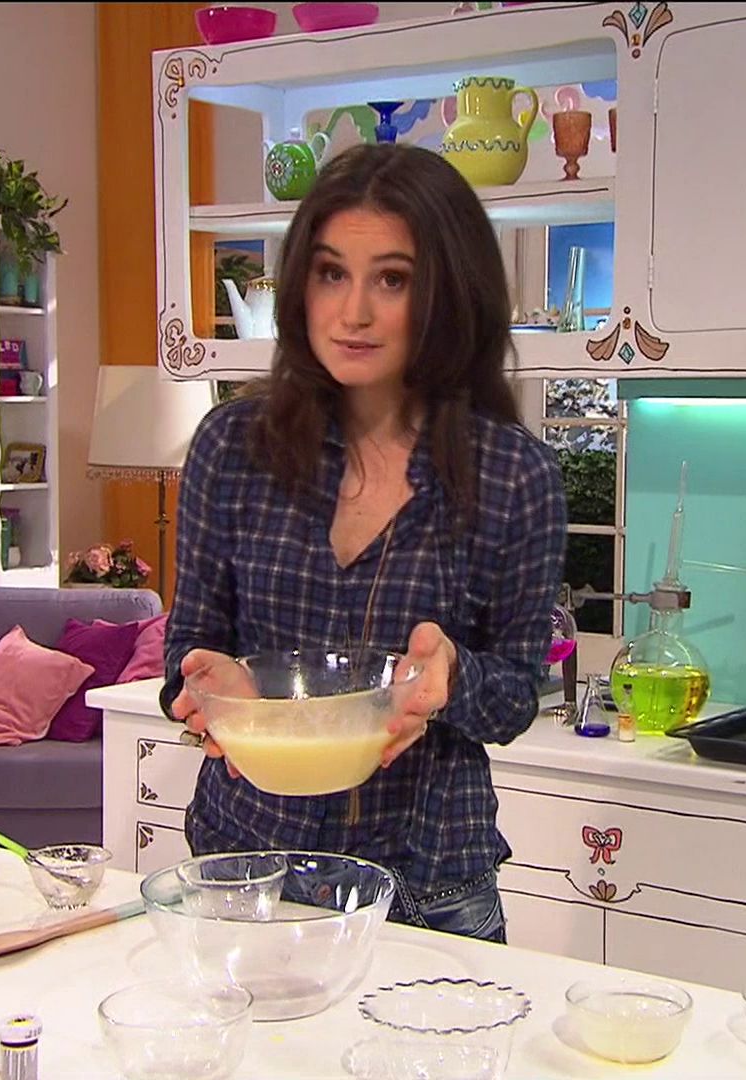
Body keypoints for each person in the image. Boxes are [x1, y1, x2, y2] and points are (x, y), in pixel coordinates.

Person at [159, 142, 568, 944]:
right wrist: (212, 683)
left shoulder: (514, 475)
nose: (352, 312)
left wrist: (450, 676)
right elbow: (191, 642)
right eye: (330, 273)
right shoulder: (232, 447)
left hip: (426, 888)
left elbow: (516, 696)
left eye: (392, 279)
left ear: (448, 294)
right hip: (246, 869)